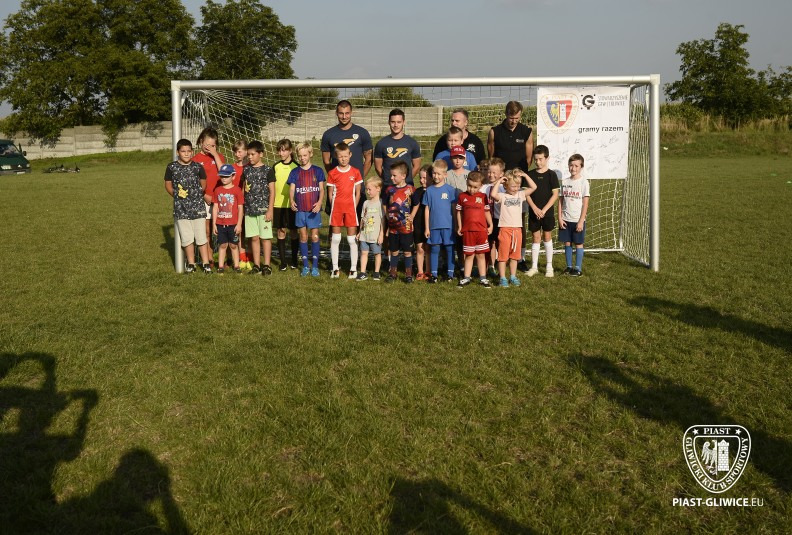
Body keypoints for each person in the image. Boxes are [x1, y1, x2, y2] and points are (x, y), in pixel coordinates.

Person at [164, 139, 211, 273]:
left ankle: (206, 263)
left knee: (201, 237)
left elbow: (203, 182)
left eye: (188, 151)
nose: (186, 154)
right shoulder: (171, 167)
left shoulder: (198, 167)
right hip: (181, 209)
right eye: (183, 151)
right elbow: (168, 184)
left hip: (198, 208)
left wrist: (197, 193)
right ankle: (191, 263)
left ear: (192, 152)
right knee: (187, 238)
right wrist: (177, 196)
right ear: (178, 152)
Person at [321, 100, 373, 215]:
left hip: (356, 186)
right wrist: (336, 177)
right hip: (337, 187)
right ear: (336, 113)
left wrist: (358, 178)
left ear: (351, 113)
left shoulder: (362, 133)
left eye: (347, 113)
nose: (344, 117)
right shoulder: (328, 134)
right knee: (336, 221)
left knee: (358, 220)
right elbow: (326, 160)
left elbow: (369, 159)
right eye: (341, 113)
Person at [490, 170, 537, 287]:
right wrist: (500, 181)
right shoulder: (502, 196)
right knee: (503, 256)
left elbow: (534, 187)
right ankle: (502, 278)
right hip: (505, 229)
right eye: (513, 186)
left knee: (515, 256)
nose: (516, 188)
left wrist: (525, 175)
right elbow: (493, 194)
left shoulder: (520, 195)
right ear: (506, 186)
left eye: (518, 186)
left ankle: (513, 276)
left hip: (517, 230)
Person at [288, 142, 325, 277]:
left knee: (314, 236)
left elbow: (321, 189)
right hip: (301, 209)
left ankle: (315, 266)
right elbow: (292, 189)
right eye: (300, 156)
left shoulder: (318, 171)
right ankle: (305, 266)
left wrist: (319, 203)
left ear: (310, 154)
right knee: (303, 236)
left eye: (305, 155)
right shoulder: (295, 172)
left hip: (313, 209)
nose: (302, 158)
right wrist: (291, 200)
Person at [327, 142, 363, 278]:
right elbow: (330, 193)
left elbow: (358, 193)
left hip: (350, 210)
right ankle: (335, 268)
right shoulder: (332, 173)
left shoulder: (355, 172)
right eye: (340, 156)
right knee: (336, 239)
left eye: (345, 156)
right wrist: (334, 206)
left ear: (350, 155)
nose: (343, 159)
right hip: (337, 209)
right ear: (336, 156)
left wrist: (353, 206)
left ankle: (353, 268)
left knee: (352, 239)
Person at [525, 145, 560, 278]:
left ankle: (549, 266)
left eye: (540, 159)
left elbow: (555, 195)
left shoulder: (552, 175)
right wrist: (534, 208)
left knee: (547, 236)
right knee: (535, 238)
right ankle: (534, 267)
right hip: (534, 211)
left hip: (547, 212)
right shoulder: (530, 175)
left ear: (547, 158)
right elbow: (526, 194)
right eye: (536, 159)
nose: (538, 162)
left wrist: (544, 210)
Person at [241, 140, 276, 275]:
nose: (250, 157)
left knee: (265, 238)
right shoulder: (246, 170)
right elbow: (243, 190)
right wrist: (242, 208)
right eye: (248, 154)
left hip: (263, 211)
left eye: (253, 154)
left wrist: (270, 209)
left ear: (261, 154)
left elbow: (272, 191)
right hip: (250, 211)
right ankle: (256, 265)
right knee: (254, 238)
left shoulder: (268, 170)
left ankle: (266, 265)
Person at [455, 171, 493, 288]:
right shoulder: (462, 196)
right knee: (469, 255)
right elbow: (459, 212)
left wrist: (490, 225)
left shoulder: (483, 197)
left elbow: (486, 211)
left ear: (481, 186)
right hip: (468, 231)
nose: (472, 189)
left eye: (475, 187)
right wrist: (460, 226)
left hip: (481, 231)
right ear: (467, 183)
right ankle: (466, 277)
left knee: (481, 255)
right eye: (470, 186)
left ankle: (483, 278)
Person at [423, 159, 458, 283]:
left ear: (445, 174)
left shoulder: (451, 190)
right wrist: (427, 228)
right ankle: (434, 274)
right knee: (434, 249)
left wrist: (456, 225)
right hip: (434, 226)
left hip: (448, 226)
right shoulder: (429, 190)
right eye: (434, 173)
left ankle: (450, 273)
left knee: (449, 249)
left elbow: (454, 209)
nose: (436, 176)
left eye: (439, 174)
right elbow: (427, 209)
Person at [194, 127, 226, 259]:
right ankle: (209, 258)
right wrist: (204, 195)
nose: (210, 148)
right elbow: (194, 182)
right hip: (205, 199)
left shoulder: (219, 157)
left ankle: (225, 258)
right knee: (207, 230)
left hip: (220, 199)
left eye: (213, 145)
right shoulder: (195, 159)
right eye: (208, 145)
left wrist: (215, 154)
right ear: (201, 141)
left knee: (221, 230)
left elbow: (223, 172)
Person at [382, 161, 416, 283]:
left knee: (407, 252)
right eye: (391, 175)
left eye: (394, 175)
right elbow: (384, 203)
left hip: (406, 227)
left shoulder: (410, 189)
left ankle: (408, 274)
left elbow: (416, 204)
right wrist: (387, 215)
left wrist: (412, 215)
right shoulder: (389, 189)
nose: (391, 178)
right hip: (393, 228)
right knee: (394, 251)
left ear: (403, 175)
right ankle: (393, 273)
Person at [558, 153, 590, 277]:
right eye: (571, 165)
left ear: (581, 167)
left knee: (578, 243)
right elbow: (560, 201)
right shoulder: (565, 182)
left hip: (577, 220)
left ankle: (578, 268)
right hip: (565, 219)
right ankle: (569, 267)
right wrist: (560, 217)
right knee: (567, 242)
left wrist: (581, 221)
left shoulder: (584, 182)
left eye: (576, 166)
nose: (573, 168)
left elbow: (585, 204)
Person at [373, 108, 422, 187]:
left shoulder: (412, 143)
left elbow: (417, 166)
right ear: (389, 122)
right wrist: (387, 180)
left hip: (407, 187)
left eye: (399, 122)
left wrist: (406, 180)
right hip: (388, 187)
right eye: (393, 122)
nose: (396, 125)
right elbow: (378, 167)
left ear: (404, 122)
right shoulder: (381, 144)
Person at [272, 138, 300, 271]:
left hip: (292, 205)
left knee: (294, 231)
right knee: (281, 231)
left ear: (290, 151)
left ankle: (294, 260)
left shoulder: (296, 166)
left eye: (284, 151)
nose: (281, 153)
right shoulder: (275, 166)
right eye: (279, 151)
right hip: (278, 204)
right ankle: (283, 262)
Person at [211, 164, 244, 273]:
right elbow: (215, 207)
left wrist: (239, 224)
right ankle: (220, 266)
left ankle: (237, 266)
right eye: (222, 176)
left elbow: (240, 208)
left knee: (233, 245)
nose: (224, 178)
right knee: (223, 245)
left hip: (233, 224)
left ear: (233, 176)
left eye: (226, 176)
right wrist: (214, 224)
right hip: (220, 224)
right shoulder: (217, 190)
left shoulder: (237, 190)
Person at [487, 101, 533, 173]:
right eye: (511, 118)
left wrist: (520, 173)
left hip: (519, 175)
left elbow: (529, 159)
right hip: (501, 175)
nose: (514, 121)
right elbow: (491, 158)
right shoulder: (494, 132)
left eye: (517, 118)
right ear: (506, 114)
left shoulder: (526, 132)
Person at [481, 158, 506, 278]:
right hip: (486, 220)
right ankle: (487, 267)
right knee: (487, 243)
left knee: (500, 244)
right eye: (489, 172)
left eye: (494, 172)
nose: (491, 175)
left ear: (501, 174)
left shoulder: (504, 188)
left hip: (499, 220)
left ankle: (499, 267)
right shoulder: (483, 188)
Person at [356, 177, 385, 281]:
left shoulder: (381, 203)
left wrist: (381, 234)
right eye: (367, 189)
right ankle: (363, 272)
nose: (367, 192)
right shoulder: (366, 203)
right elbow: (363, 218)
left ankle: (376, 272)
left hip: (375, 235)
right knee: (364, 253)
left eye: (369, 189)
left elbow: (383, 220)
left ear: (378, 189)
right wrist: (360, 232)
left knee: (377, 253)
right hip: (365, 234)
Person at [409, 164, 432, 280]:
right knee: (419, 248)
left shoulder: (433, 191)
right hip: (418, 224)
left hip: (429, 224)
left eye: (425, 178)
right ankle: (420, 271)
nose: (422, 180)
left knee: (428, 248)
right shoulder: (416, 192)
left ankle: (428, 271)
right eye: (420, 178)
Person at [230, 140, 249, 268]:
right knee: (239, 230)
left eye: (240, 151)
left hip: (250, 203)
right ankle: (241, 257)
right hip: (236, 205)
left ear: (246, 151)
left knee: (251, 231)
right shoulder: (232, 168)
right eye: (235, 152)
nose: (237, 154)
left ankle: (250, 256)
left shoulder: (250, 167)